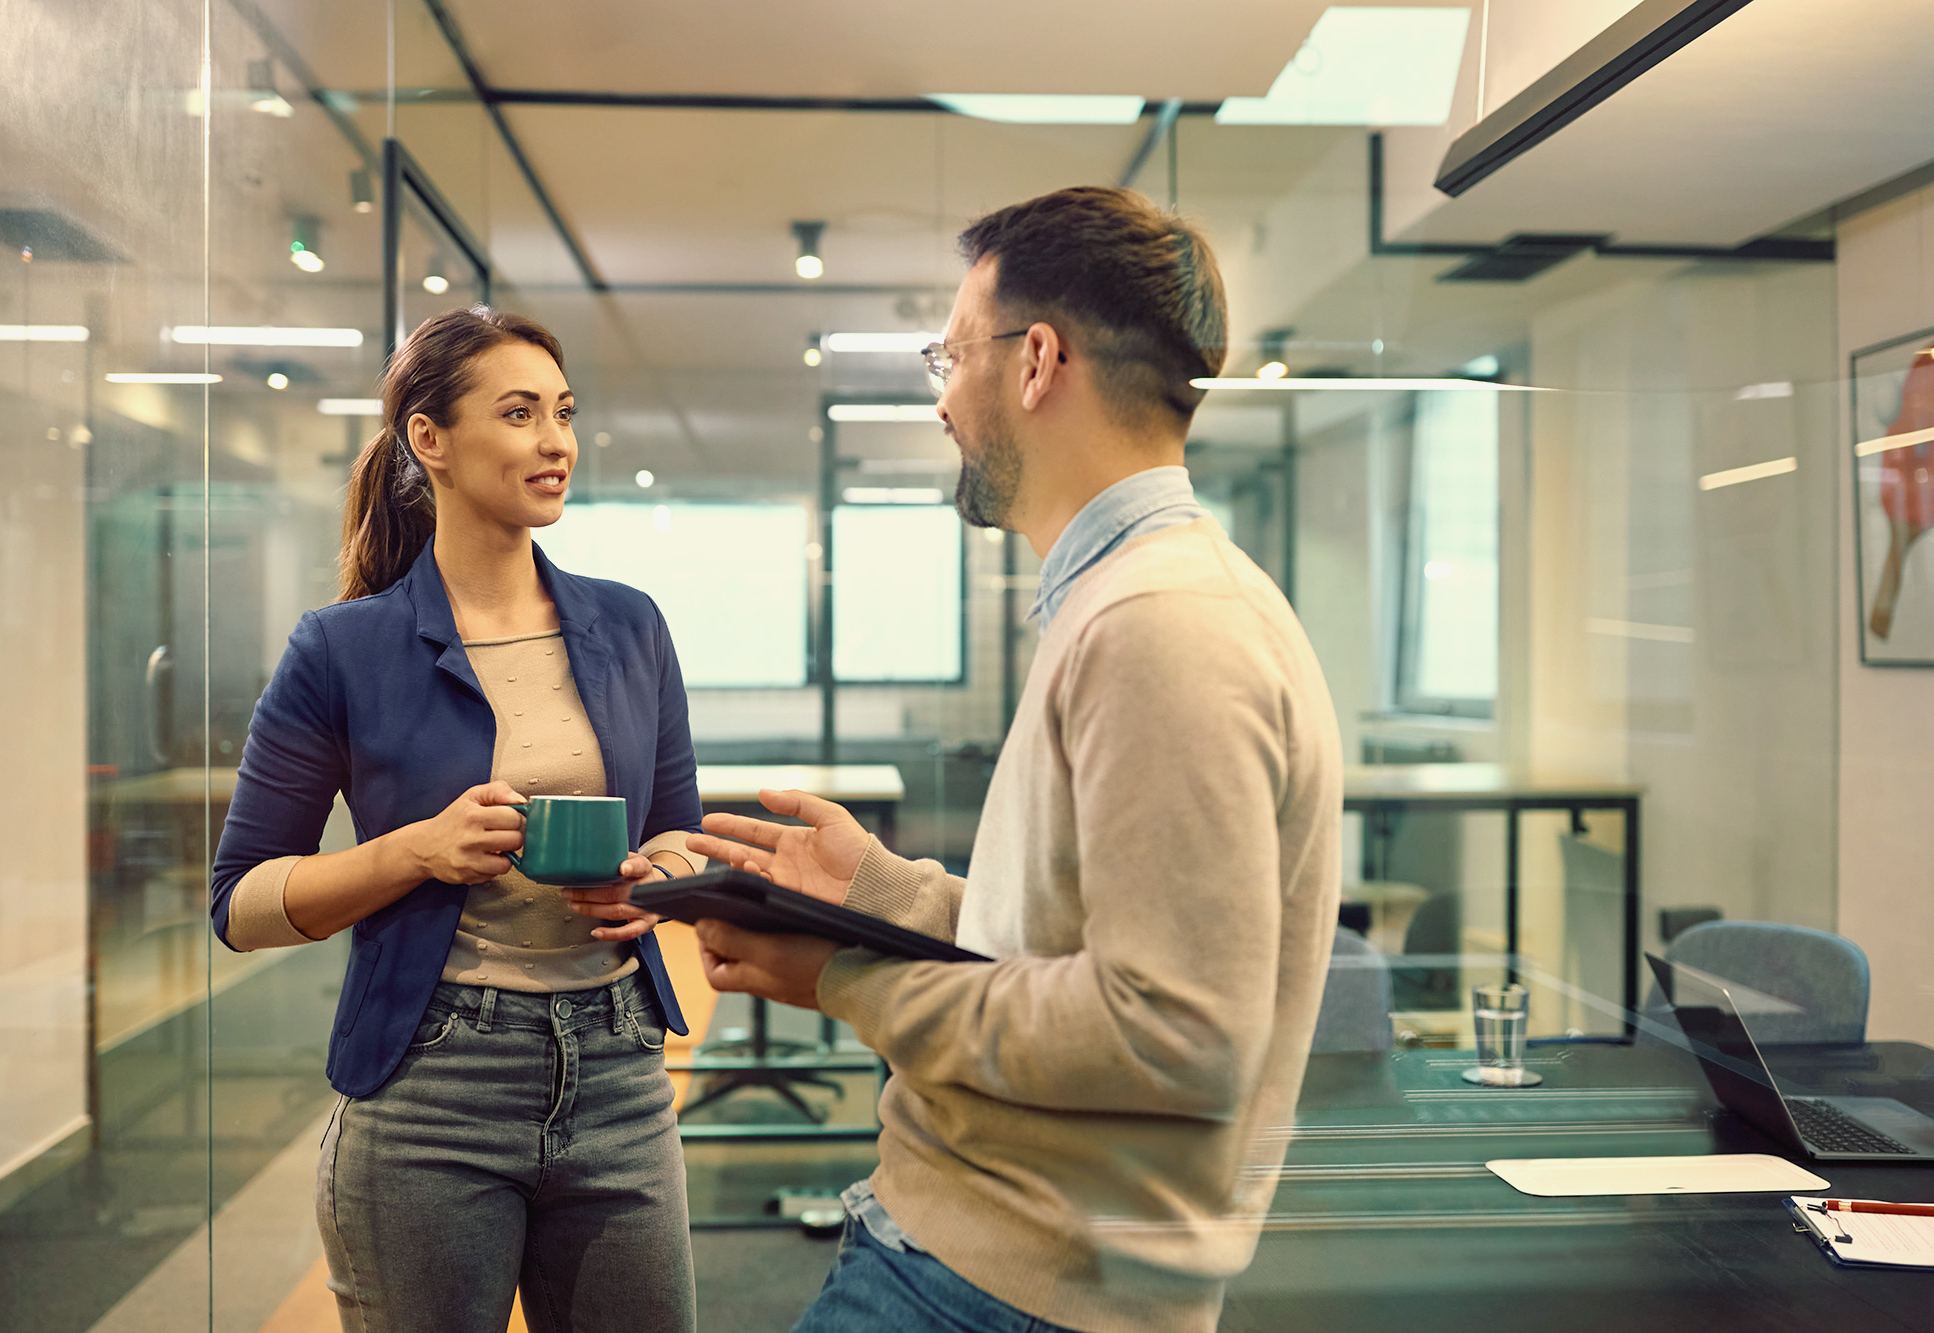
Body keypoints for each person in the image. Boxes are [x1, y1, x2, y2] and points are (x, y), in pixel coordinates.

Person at [688, 187, 1343, 1333]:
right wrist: (883, 893)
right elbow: (1077, 947)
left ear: (1035, 360)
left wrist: (841, 981)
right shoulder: (1128, 600)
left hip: (998, 1289)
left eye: (951, 353)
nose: (943, 398)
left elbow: (1165, 1034)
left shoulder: (1161, 623)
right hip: (985, 1266)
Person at [209, 306, 702, 1333]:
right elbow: (242, 904)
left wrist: (653, 881)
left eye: (563, 413)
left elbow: (676, 834)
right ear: (427, 438)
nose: (555, 441)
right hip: (433, 1083)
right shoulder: (341, 649)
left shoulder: (630, 624)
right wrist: (414, 851)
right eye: (518, 413)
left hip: (617, 1066)